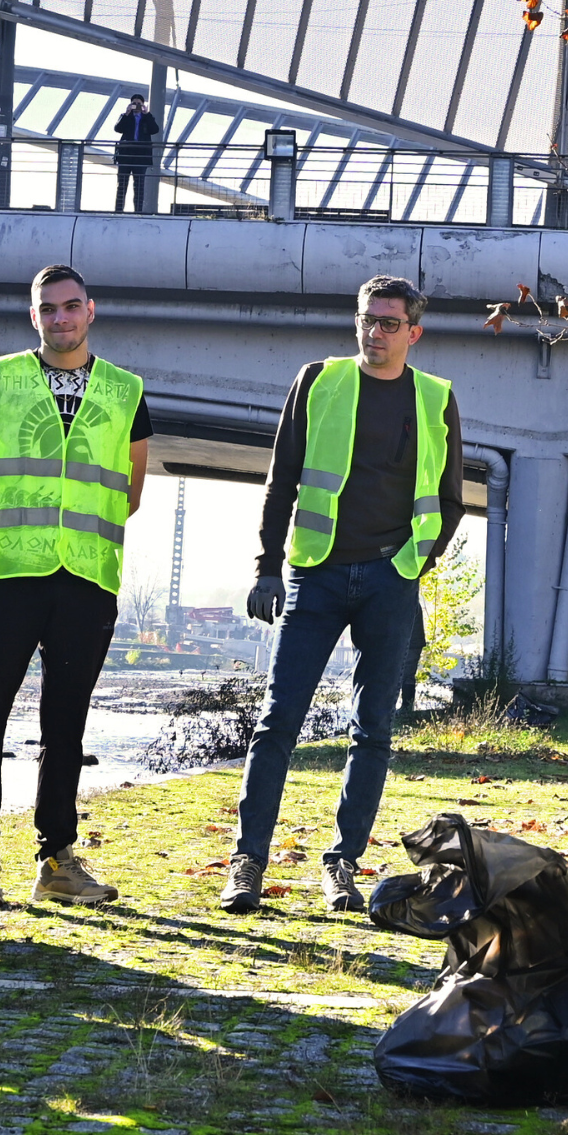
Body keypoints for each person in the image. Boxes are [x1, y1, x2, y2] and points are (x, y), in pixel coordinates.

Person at [220, 275, 463, 916]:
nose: (374, 333)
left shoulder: (436, 398)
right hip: (316, 575)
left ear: (413, 332)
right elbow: (282, 480)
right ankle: (248, 863)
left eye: (388, 323)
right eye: (366, 320)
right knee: (277, 722)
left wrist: (413, 567)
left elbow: (450, 499)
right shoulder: (318, 381)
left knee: (373, 728)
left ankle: (342, 866)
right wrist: (267, 566)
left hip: (390, 580)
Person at [0, 264, 150, 906]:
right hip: (7, 574)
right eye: (47, 308)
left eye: (70, 306)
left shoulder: (126, 391)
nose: (59, 318)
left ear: (91, 310)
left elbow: (129, 492)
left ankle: (57, 861)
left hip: (86, 579)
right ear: (33, 315)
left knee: (67, 727)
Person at [112, 94, 160, 211]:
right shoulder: (126, 116)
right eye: (134, 103)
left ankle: (138, 211)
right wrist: (127, 113)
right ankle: (118, 210)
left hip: (141, 156)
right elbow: (118, 128)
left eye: (139, 104)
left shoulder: (147, 118)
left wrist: (147, 114)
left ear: (143, 105)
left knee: (139, 185)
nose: (137, 106)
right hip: (125, 155)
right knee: (122, 184)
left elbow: (155, 129)